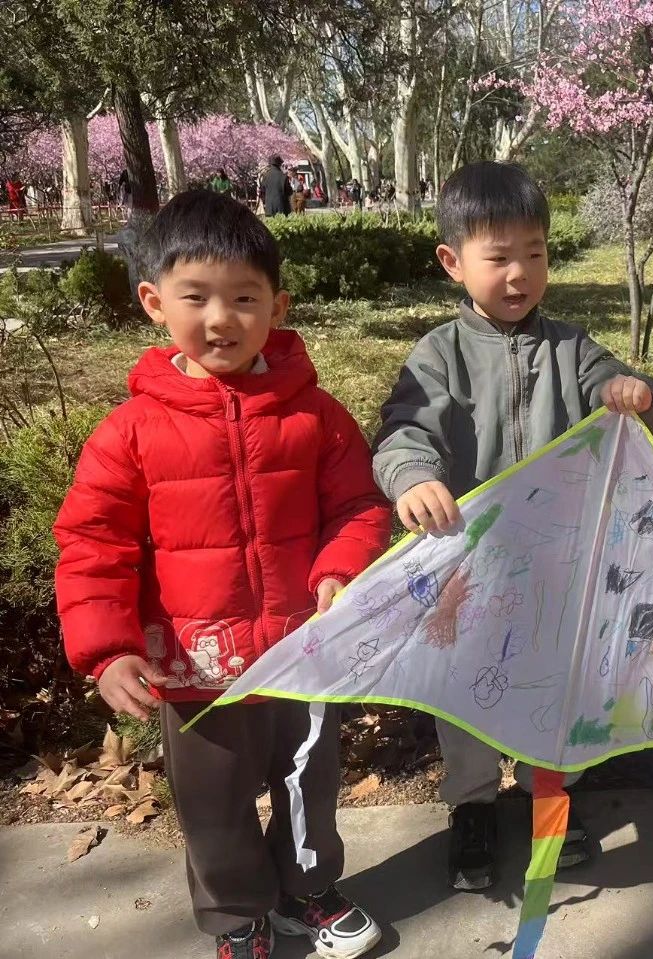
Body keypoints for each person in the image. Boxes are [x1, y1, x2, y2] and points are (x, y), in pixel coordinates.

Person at [53, 189, 391, 959]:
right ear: (153, 302)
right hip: (195, 667)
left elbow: (359, 504)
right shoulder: (131, 431)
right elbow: (92, 540)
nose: (221, 318)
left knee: (309, 786)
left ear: (278, 305)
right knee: (213, 806)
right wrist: (107, 647)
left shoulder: (315, 415)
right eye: (196, 296)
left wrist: (340, 568)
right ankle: (238, 914)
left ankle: (308, 890)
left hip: (303, 653)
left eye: (244, 298)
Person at [372, 160, 653, 891]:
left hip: (556, 565)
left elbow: (622, 388)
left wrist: (633, 391)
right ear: (452, 262)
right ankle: (472, 805)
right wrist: (412, 477)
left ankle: (550, 803)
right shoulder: (438, 355)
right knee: (463, 694)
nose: (519, 274)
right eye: (499, 257)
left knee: (552, 689)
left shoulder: (570, 346)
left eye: (534, 254)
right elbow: (403, 430)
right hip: (467, 567)